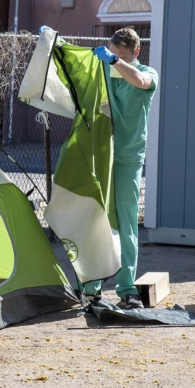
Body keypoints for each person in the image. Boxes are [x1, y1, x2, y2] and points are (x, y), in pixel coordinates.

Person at [40, 25, 159, 309]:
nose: (115, 58)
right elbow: (77, 67)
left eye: (122, 54)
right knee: (97, 217)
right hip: (101, 153)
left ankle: (127, 288)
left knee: (127, 222)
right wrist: (54, 43)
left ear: (136, 53)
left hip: (128, 158)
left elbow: (141, 81)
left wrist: (115, 61)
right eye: (113, 52)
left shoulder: (147, 72)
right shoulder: (101, 69)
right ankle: (91, 286)